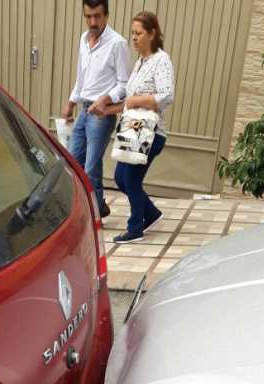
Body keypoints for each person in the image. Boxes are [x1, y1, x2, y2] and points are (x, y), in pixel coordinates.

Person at [63, 1, 130, 218]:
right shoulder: (84, 39)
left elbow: (124, 84)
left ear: (107, 16)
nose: (93, 22)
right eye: (89, 16)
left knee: (91, 166)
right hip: (84, 109)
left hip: (102, 115)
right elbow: (81, 77)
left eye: (98, 16)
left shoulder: (117, 44)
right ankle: (98, 205)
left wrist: (106, 98)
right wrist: (72, 102)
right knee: (73, 161)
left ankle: (92, 214)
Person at [113, 11, 174, 243]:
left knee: (131, 180)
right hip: (133, 128)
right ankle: (151, 213)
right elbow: (129, 97)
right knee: (120, 177)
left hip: (151, 131)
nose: (134, 38)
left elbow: (166, 95)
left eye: (139, 33)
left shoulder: (161, 59)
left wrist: (136, 100)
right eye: (133, 33)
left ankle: (135, 227)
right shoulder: (140, 62)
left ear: (152, 33)